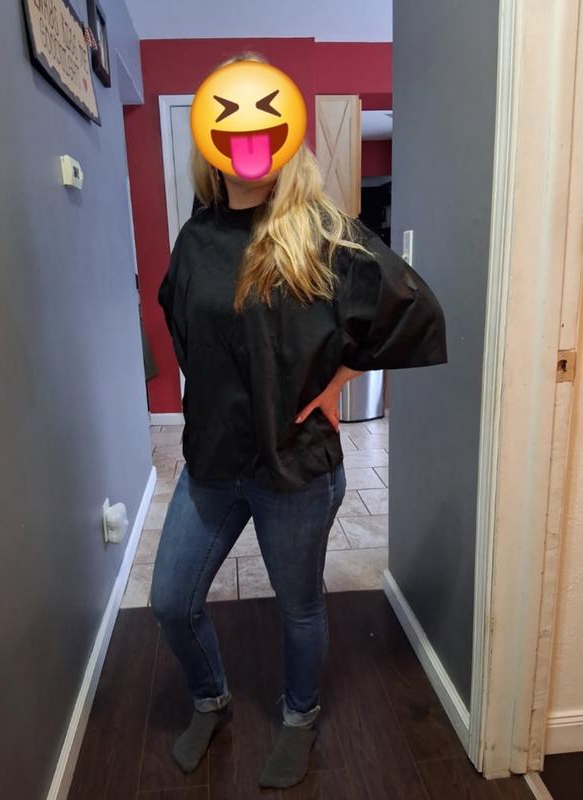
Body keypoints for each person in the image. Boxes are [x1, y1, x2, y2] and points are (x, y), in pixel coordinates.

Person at [150, 52, 447, 791]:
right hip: (212, 464)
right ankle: (210, 698)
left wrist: (335, 381)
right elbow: (184, 330)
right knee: (171, 602)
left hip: (295, 467)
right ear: (207, 134)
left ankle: (298, 716)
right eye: (229, 113)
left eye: (262, 113)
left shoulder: (320, 232)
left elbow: (412, 310)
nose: (247, 132)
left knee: (299, 606)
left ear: (286, 131)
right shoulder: (195, 238)